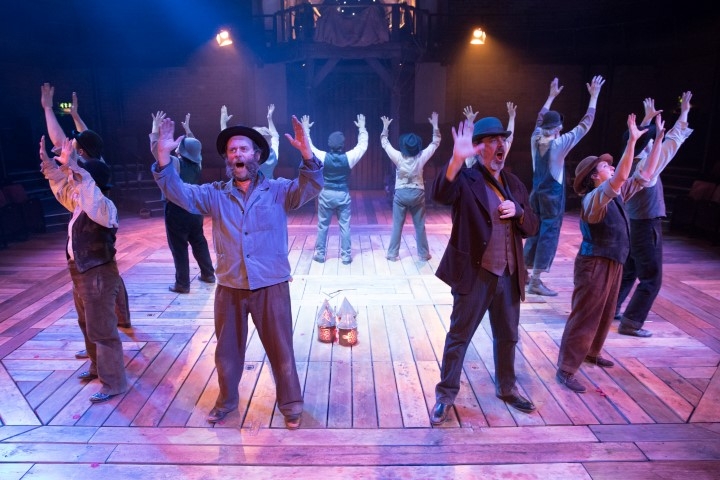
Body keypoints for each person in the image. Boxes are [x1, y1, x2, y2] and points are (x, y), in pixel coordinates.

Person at [151, 114, 323, 429]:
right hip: (230, 285)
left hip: (271, 285)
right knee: (227, 353)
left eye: (243, 149)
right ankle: (227, 402)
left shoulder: (278, 191)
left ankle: (291, 404)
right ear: (227, 159)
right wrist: (163, 158)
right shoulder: (216, 193)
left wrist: (307, 153)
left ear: (257, 155)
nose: (237, 155)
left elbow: (310, 186)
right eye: (232, 150)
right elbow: (180, 194)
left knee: (281, 349)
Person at [429, 116, 540, 425]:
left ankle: (506, 388)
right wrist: (455, 160)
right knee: (459, 337)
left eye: (501, 140)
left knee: (508, 336)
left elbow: (532, 225)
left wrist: (518, 212)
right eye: (491, 141)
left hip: (508, 274)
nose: (499, 145)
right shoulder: (467, 180)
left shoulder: (515, 184)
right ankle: (445, 395)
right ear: (479, 149)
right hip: (476, 274)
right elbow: (439, 194)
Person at [556, 114, 665, 393]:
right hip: (594, 264)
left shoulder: (615, 195)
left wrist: (658, 142)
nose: (612, 166)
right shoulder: (595, 197)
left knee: (605, 313)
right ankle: (567, 368)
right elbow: (623, 176)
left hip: (613, 261)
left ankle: (592, 351)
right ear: (595, 176)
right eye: (606, 166)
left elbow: (644, 175)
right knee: (585, 314)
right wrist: (631, 141)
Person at [39, 84, 128, 404]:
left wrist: (56, 114)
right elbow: (65, 185)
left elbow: (75, 161)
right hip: (80, 269)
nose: (73, 168)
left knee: (103, 327)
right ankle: (96, 365)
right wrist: (53, 170)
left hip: (98, 272)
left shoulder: (101, 204)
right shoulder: (81, 197)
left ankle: (114, 381)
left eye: (79, 166)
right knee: (86, 320)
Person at [615, 92, 693, 337]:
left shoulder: (627, 160)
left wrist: (648, 119)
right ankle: (631, 322)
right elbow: (672, 144)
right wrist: (684, 114)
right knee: (651, 278)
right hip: (644, 225)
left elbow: (643, 141)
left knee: (630, 270)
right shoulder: (646, 166)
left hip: (631, 224)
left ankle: (611, 309)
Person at [523, 76, 606, 296]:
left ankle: (523, 274)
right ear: (558, 128)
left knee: (534, 232)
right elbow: (585, 125)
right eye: (560, 127)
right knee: (548, 235)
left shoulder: (535, 138)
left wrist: (550, 96)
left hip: (536, 194)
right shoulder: (559, 144)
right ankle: (536, 281)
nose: (561, 129)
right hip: (551, 197)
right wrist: (594, 97)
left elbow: (540, 119)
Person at [150, 111, 215, 294]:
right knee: (199, 241)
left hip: (176, 211)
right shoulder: (197, 164)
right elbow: (195, 148)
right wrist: (188, 131)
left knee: (179, 247)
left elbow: (157, 152)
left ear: (182, 151)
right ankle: (208, 274)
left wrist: (155, 130)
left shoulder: (175, 163)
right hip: (195, 209)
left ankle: (183, 284)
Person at [303, 113, 368, 264]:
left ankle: (320, 254)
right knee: (345, 226)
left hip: (326, 194)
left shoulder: (323, 157)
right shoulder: (349, 157)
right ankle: (345, 256)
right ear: (343, 144)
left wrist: (306, 129)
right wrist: (362, 128)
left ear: (329, 144)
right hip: (342, 194)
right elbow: (362, 146)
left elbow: (309, 147)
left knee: (323, 225)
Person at [380, 112, 440, 261]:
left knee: (397, 226)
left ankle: (392, 254)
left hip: (401, 194)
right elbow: (435, 142)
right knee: (420, 226)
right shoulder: (421, 157)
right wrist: (435, 125)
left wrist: (385, 128)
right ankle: (424, 254)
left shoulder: (398, 157)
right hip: (417, 193)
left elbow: (384, 143)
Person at [222, 104, 280, 179]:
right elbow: (275, 136)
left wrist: (223, 123)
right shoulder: (274, 156)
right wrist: (269, 119)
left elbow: (229, 143)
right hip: (269, 188)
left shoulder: (252, 157)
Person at [463, 102, 516, 168]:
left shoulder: (498, 158)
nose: (501, 144)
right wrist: (470, 122)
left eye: (503, 140)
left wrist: (512, 117)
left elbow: (509, 139)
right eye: (493, 140)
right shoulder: (472, 161)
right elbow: (467, 144)